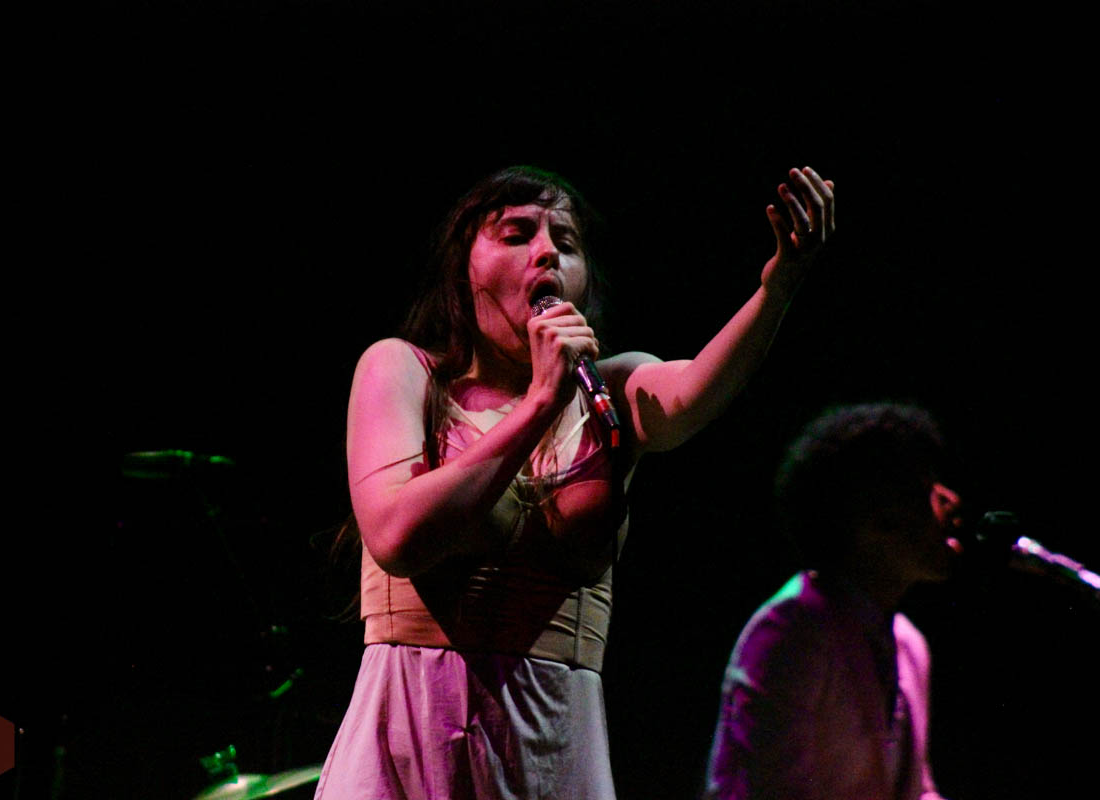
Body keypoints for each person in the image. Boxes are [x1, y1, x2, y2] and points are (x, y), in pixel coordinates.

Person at [314, 163, 835, 800]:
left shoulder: (608, 390)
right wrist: (538, 403)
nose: (546, 253)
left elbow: (693, 391)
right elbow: (396, 536)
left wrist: (778, 285)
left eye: (565, 241)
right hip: (412, 728)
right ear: (462, 269)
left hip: (550, 747)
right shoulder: (403, 370)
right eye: (516, 234)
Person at [700, 403, 963, 800]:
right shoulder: (791, 631)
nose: (949, 499)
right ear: (872, 514)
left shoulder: (909, 644)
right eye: (924, 487)